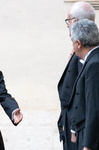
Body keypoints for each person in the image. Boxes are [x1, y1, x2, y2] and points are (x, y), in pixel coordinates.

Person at [57, 1, 95, 150]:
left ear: (76, 22)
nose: (67, 25)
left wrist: (73, 127)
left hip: (80, 128)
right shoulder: (80, 48)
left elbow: (85, 99)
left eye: (68, 21)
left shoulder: (88, 53)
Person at [68, 19, 99, 150]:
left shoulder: (94, 64)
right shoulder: (92, 60)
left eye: (73, 42)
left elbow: (94, 107)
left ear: (79, 43)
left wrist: (88, 145)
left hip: (91, 137)